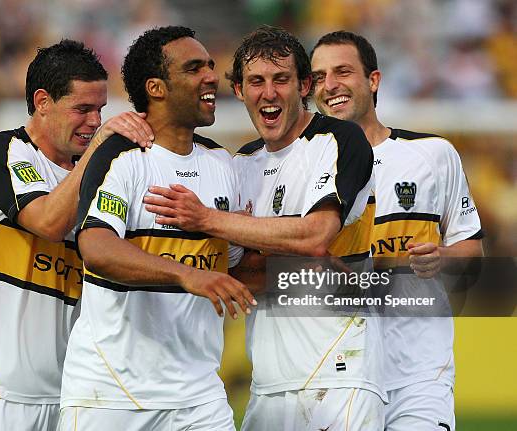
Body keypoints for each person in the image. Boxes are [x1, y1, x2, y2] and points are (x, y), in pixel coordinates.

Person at [144, 25, 384, 430]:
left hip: (341, 372)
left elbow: (316, 235)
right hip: (268, 383)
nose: (268, 93)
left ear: (304, 85)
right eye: (256, 81)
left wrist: (208, 219)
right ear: (238, 90)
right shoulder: (239, 166)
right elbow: (239, 274)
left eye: (281, 80)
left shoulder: (340, 140)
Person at [57, 26, 256, 431]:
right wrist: (187, 274)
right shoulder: (122, 154)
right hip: (110, 394)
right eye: (194, 68)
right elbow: (96, 246)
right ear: (157, 87)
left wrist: (319, 275)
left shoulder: (223, 165)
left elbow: (234, 269)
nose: (211, 77)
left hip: (200, 396)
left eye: (211, 66)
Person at [0, 39, 154, 430]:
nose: (95, 121)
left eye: (100, 110)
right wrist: (99, 150)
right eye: (82, 109)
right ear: (42, 101)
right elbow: (47, 223)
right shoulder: (1, 152)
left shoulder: (96, 172)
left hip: (73, 393)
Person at [310, 30, 484, 431]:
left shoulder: (432, 155)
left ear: (374, 80)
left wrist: (442, 258)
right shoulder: (303, 167)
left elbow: (472, 252)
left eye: (342, 71)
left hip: (419, 375)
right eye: (318, 77)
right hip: (337, 376)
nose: (330, 85)